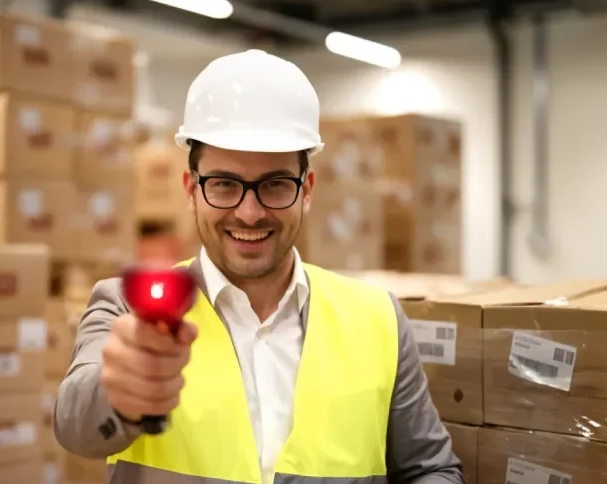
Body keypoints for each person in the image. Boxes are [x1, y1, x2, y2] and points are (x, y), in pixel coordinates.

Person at [53, 49, 463, 484]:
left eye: (274, 185)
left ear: (307, 189)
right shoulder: (126, 306)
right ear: (191, 189)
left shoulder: (377, 318)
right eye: (225, 185)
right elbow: (75, 424)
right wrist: (120, 394)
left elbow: (431, 470)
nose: (249, 213)